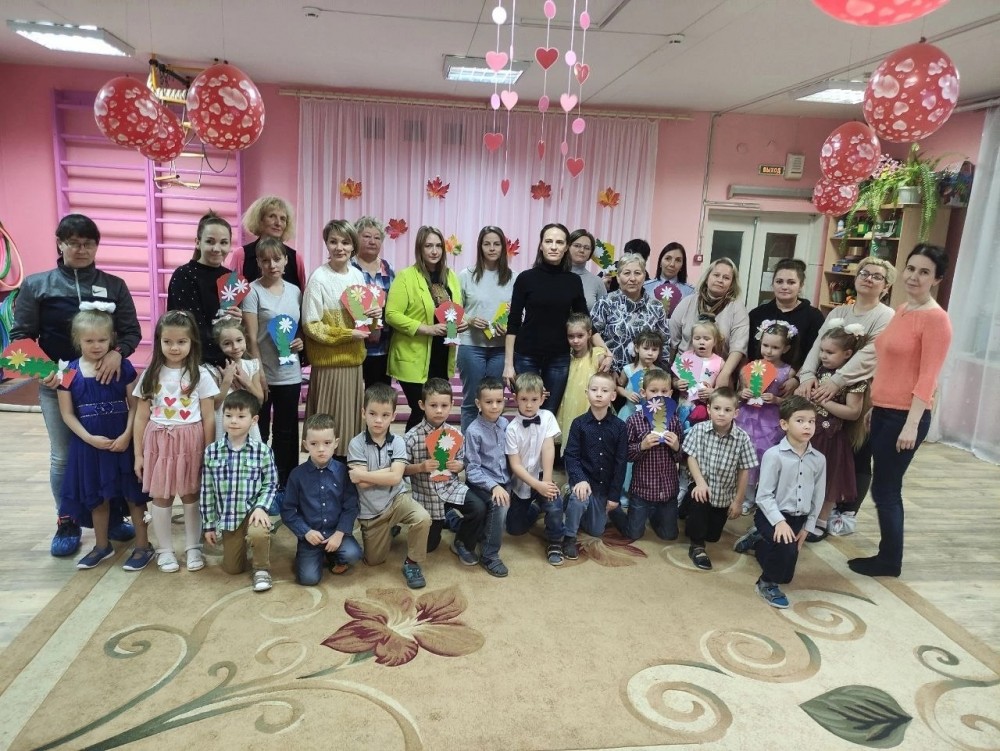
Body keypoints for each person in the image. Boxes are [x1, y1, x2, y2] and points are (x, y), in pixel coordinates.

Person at [11, 213, 141, 557]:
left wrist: (118, 353)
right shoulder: (37, 285)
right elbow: (20, 337)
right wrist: (43, 371)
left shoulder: (114, 285)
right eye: (74, 243)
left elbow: (131, 332)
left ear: (96, 246)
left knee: (112, 449)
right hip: (61, 385)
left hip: (107, 386)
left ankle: (112, 516)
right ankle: (67, 521)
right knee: (64, 456)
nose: (81, 250)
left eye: (88, 243)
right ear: (60, 244)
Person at [848, 245, 952, 578]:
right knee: (884, 488)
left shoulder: (937, 320)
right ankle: (887, 555)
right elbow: (890, 361)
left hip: (905, 416)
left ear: (937, 279)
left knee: (886, 489)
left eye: (924, 272)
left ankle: (890, 560)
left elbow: (928, 377)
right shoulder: (904, 309)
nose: (914, 277)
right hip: (884, 411)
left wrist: (912, 424)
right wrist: (875, 405)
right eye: (911, 268)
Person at [796, 257, 896, 524]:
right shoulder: (838, 312)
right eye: (864, 273)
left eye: (877, 276)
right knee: (825, 447)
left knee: (855, 450)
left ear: (886, 286)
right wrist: (807, 375)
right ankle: (812, 507)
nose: (868, 278)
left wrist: (837, 381)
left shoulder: (886, 316)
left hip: (860, 389)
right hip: (825, 386)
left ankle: (846, 513)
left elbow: (869, 354)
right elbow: (818, 345)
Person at [57, 308, 150, 570]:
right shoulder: (68, 372)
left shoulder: (124, 366)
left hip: (123, 442)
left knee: (134, 496)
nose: (96, 345)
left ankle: (143, 546)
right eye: (89, 340)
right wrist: (89, 438)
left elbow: (135, 406)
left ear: (112, 339)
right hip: (89, 446)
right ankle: (101, 546)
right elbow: (67, 414)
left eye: (102, 340)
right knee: (97, 497)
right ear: (78, 340)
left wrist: (127, 435)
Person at [132, 310, 220, 573]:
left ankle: (193, 547)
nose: (174, 347)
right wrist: (138, 455)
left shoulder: (201, 374)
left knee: (192, 494)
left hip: (191, 442)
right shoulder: (150, 374)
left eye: (181, 341)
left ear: (192, 342)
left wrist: (209, 451)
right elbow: (140, 417)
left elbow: (209, 417)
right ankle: (165, 550)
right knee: (162, 496)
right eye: (168, 341)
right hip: (159, 443)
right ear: (159, 341)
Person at [733, 396, 826, 609]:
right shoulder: (773, 455)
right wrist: (779, 522)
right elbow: (763, 496)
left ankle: (758, 541)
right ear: (784, 424)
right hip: (770, 515)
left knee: (786, 574)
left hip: (798, 518)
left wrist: (808, 526)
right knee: (785, 550)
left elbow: (818, 495)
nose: (807, 426)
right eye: (800, 420)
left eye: (811, 421)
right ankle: (765, 583)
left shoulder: (819, 459)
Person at [302, 219, 375, 459]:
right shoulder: (319, 278)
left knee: (350, 428)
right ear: (326, 244)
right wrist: (347, 334)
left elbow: (363, 322)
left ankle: (346, 471)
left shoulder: (357, 276)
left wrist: (374, 316)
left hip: (353, 363)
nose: (339, 247)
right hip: (328, 366)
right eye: (333, 241)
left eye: (345, 242)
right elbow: (311, 325)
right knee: (325, 428)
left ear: (353, 246)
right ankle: (322, 470)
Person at [347, 383, 432, 590]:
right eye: (373, 414)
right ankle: (389, 529)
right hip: (372, 511)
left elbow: (394, 479)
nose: (378, 420)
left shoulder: (398, 442)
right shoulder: (356, 444)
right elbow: (363, 484)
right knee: (374, 561)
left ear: (393, 416)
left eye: (385, 415)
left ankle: (412, 562)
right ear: (363, 413)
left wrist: (364, 474)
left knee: (423, 518)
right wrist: (391, 471)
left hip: (397, 499)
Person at [504, 223, 591, 415]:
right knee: (528, 411)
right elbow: (513, 322)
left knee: (549, 412)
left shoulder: (573, 281)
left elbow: (584, 319)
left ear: (566, 247)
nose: (553, 246)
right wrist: (508, 365)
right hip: (526, 355)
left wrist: (603, 350)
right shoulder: (525, 278)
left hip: (559, 357)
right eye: (549, 241)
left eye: (559, 242)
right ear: (541, 245)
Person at [200, 390, 279, 592]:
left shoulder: (262, 451)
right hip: (229, 517)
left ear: (254, 420)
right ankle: (244, 545)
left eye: (241, 416)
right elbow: (207, 490)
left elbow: (271, 483)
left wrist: (261, 507)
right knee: (233, 569)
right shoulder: (212, 452)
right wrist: (209, 525)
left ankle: (261, 568)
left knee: (258, 533)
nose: (233, 421)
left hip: (253, 512)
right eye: (228, 415)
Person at [386, 226, 465, 431]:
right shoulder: (406, 276)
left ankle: (432, 450)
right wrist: (426, 329)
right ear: (419, 248)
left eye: (438, 246)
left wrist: (461, 322)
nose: (434, 251)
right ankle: (411, 451)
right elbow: (391, 314)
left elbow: (455, 309)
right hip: (414, 357)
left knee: (436, 414)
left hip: (442, 354)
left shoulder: (450, 276)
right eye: (428, 246)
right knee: (421, 410)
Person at [241, 236, 304, 489]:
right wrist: (259, 374)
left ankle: (283, 484)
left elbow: (297, 330)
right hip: (263, 373)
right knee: (261, 431)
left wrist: (299, 342)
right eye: (265, 260)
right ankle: (260, 483)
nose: (272, 265)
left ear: (286, 260)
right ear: (258, 262)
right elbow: (251, 339)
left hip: (290, 373)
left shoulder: (296, 291)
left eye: (277, 259)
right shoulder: (252, 291)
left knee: (285, 432)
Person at [404, 378, 487, 559]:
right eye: (433, 405)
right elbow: (402, 470)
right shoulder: (411, 437)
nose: (439, 410)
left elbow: (462, 460)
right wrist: (420, 466)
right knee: (429, 547)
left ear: (452, 405)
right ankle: (449, 517)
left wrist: (459, 466)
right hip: (426, 495)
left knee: (478, 508)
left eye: (444, 405)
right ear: (422, 405)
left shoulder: (455, 434)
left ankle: (461, 542)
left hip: (451, 487)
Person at [281, 413, 363, 585]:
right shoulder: (297, 475)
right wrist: (306, 532)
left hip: (336, 532)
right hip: (310, 537)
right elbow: (288, 510)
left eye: (327, 443)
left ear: (336, 443)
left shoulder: (343, 472)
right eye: (314, 444)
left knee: (353, 554)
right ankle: (311, 555)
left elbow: (350, 506)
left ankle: (333, 555)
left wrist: (339, 534)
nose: (321, 449)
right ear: (305, 445)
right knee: (308, 579)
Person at [682, 387, 757, 571]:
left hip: (723, 494)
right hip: (701, 487)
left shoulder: (742, 438)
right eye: (717, 408)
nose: (721, 414)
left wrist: (738, 501)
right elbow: (690, 457)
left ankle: (686, 510)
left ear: (736, 413)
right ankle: (697, 547)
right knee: (698, 522)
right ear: (709, 409)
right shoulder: (699, 430)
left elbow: (744, 470)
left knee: (713, 536)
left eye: (727, 410)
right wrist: (700, 482)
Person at [808, 324, 868, 540]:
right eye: (822, 351)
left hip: (832, 438)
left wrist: (823, 401)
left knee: (829, 479)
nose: (823, 356)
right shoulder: (821, 371)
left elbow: (853, 412)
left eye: (830, 352)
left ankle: (821, 520)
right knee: (808, 476)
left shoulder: (854, 379)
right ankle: (804, 516)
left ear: (848, 354)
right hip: (811, 434)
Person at [609, 368, 683, 541]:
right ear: (643, 393)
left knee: (669, 535)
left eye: (664, 391)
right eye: (653, 391)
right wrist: (641, 446)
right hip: (642, 490)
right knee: (633, 534)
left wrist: (677, 447)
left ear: (671, 394)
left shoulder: (675, 421)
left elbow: (681, 457)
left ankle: (655, 514)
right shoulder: (634, 421)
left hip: (667, 490)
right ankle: (615, 512)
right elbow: (626, 455)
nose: (659, 396)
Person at [562, 372, 628, 560]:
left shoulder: (619, 427)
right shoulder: (579, 424)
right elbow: (571, 456)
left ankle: (578, 507)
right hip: (584, 482)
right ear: (587, 393)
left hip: (603, 487)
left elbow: (620, 463)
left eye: (604, 391)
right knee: (579, 497)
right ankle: (569, 536)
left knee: (596, 530)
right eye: (594, 389)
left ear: (613, 396)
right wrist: (579, 480)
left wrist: (614, 496)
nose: (599, 394)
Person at [457, 226, 516, 431]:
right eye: (487, 244)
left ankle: (494, 446)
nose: (491, 248)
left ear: (503, 248)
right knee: (471, 401)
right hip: (471, 347)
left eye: (496, 244)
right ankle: (469, 447)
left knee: (494, 403)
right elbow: (454, 311)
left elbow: (520, 313)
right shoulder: (466, 275)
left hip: (501, 349)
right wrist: (470, 319)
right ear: (480, 246)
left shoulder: (513, 277)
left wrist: (509, 326)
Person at [736, 320, 797, 515]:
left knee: (765, 459)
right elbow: (740, 392)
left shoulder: (788, 372)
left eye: (775, 347)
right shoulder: (750, 367)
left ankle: (762, 497)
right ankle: (745, 496)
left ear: (785, 348)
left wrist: (777, 399)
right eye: (765, 345)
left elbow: (791, 403)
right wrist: (743, 393)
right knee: (746, 457)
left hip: (770, 422)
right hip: (747, 418)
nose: (769, 351)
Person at [505, 372, 566, 566]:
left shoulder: (547, 417)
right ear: (516, 398)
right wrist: (536, 486)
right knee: (514, 529)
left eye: (534, 399)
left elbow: (548, 448)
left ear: (542, 398)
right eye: (524, 399)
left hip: (542, 474)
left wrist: (546, 481)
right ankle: (536, 507)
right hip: (523, 480)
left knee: (554, 506)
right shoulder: (511, 428)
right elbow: (515, 465)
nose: (529, 405)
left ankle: (555, 541)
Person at [167, 211, 240, 368]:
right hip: (195, 360)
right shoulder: (184, 275)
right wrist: (220, 359)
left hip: (229, 358)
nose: (217, 248)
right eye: (210, 241)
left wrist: (239, 321)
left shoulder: (231, 278)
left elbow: (232, 327)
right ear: (198, 242)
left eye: (223, 242)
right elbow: (189, 326)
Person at [669, 258, 750, 389]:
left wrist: (725, 374)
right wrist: (670, 377)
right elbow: (672, 341)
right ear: (707, 278)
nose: (720, 280)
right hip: (684, 376)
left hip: (719, 376)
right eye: (716, 275)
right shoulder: (687, 302)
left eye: (726, 278)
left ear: (732, 284)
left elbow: (739, 346)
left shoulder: (737, 308)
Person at [464, 376, 513, 577]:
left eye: (499, 401)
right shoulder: (473, 431)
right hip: (482, 483)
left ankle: (459, 523)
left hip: (505, 480)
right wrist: (493, 486)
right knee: (500, 503)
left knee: (508, 514)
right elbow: (472, 469)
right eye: (488, 402)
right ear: (478, 403)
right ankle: (489, 554)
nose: (494, 406)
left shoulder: (505, 424)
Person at [591, 252, 669, 375]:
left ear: (644, 277)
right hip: (609, 374)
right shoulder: (605, 303)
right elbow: (591, 336)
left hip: (645, 378)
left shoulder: (656, 307)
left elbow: (664, 345)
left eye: (637, 273)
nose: (632, 278)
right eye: (627, 273)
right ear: (618, 277)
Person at [747, 258, 824, 376]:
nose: (784, 287)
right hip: (758, 378)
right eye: (779, 281)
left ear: (801, 285)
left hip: (799, 379)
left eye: (791, 282)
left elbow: (816, 354)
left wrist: (796, 379)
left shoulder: (814, 316)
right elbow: (749, 352)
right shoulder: (757, 314)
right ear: (772, 284)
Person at [352, 216, 396, 389]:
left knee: (380, 393)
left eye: (377, 238)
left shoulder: (388, 267)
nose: (372, 241)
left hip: (383, 345)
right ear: (356, 238)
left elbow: (394, 303)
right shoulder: (348, 267)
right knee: (354, 395)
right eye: (366, 236)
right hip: (355, 344)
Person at [229, 195, 306, 289]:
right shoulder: (241, 255)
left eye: (283, 219)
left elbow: (302, 294)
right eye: (272, 216)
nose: (278, 223)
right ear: (259, 220)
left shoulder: (296, 258)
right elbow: (231, 295)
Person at [209, 318, 264, 445]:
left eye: (239, 340)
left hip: (246, 424)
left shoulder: (252, 365)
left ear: (245, 339)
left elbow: (260, 400)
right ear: (218, 345)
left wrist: (247, 382)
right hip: (223, 425)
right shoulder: (213, 370)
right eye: (227, 343)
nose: (235, 347)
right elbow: (214, 405)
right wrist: (226, 381)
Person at [556, 313, 606, 445]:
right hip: (569, 404)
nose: (575, 340)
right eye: (571, 336)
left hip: (591, 405)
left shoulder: (598, 355)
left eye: (580, 336)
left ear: (589, 334)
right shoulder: (566, 357)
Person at [674, 318, 725, 429]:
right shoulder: (685, 357)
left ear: (715, 341)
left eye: (706, 339)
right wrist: (677, 384)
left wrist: (713, 392)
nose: (701, 342)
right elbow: (673, 380)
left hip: (707, 407)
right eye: (697, 338)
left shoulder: (719, 362)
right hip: (684, 405)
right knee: (683, 431)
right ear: (692, 340)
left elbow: (725, 389)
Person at [567, 229, 608, 310]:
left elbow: (604, 313)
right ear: (567, 247)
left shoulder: (597, 282)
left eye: (587, 248)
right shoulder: (555, 275)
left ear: (591, 253)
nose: (582, 250)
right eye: (577, 246)